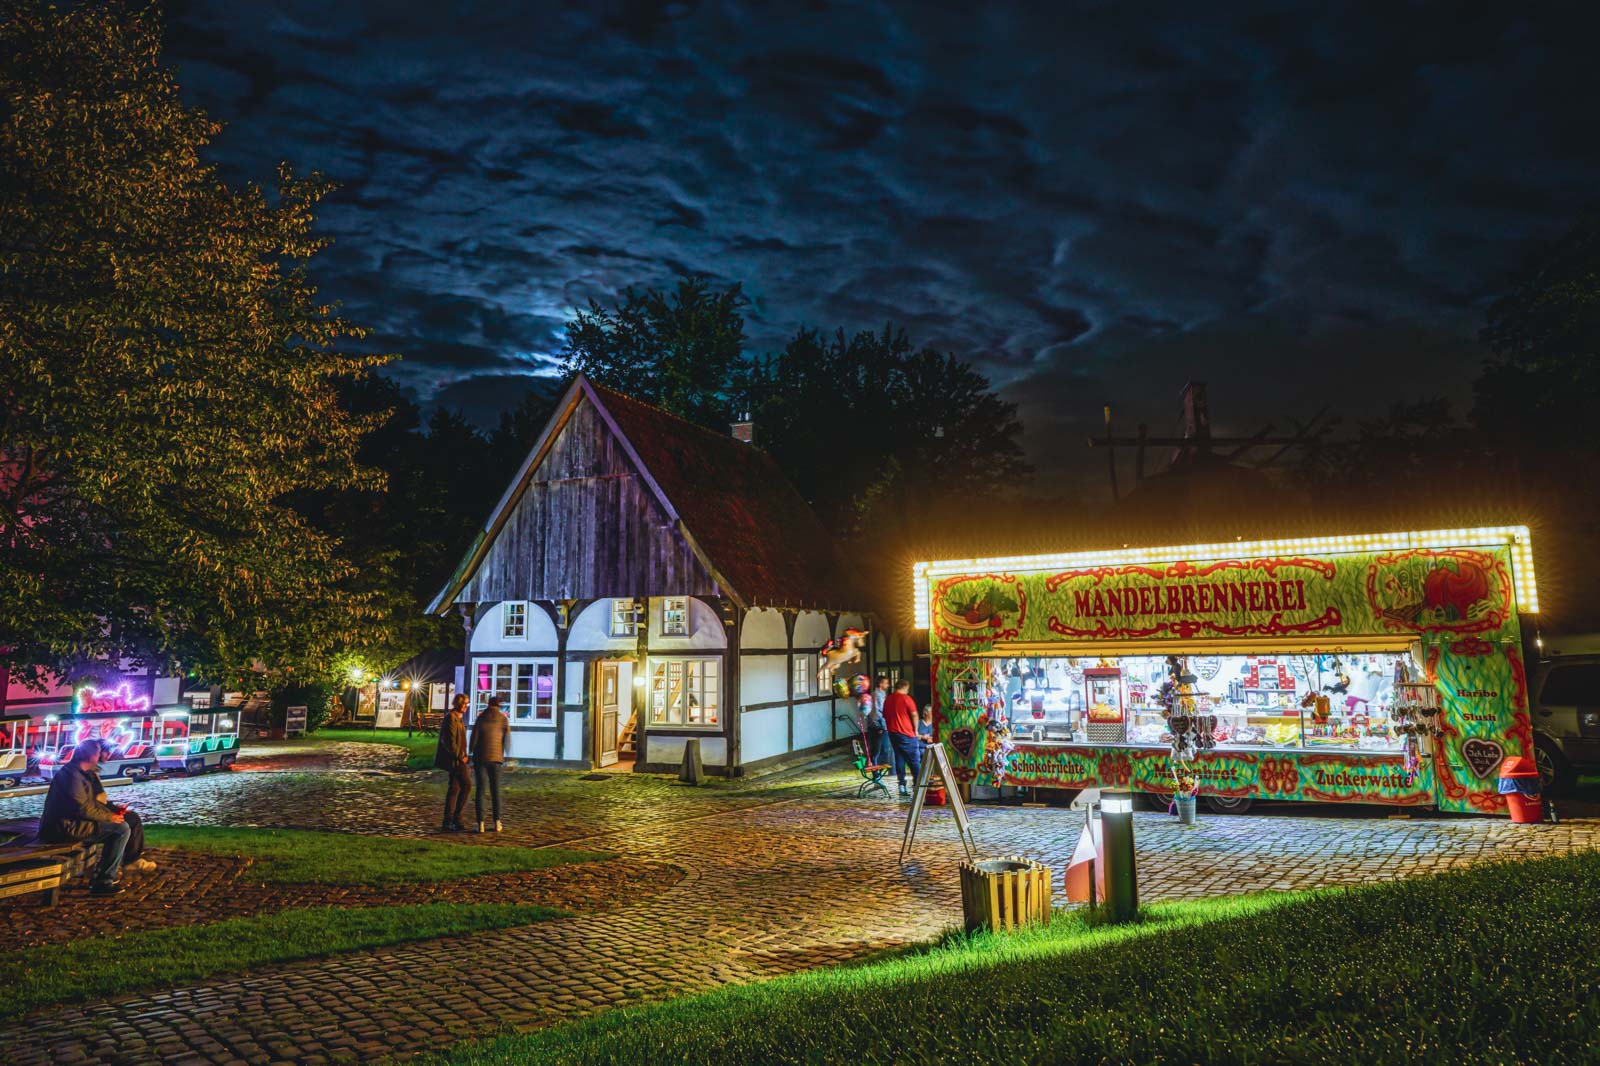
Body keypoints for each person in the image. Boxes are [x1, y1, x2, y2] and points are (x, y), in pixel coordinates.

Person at [39, 739, 132, 894]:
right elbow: (82, 808)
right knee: (121, 829)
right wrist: (110, 818)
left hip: (69, 823)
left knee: (124, 823)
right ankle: (103, 881)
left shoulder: (77, 773)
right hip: (64, 828)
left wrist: (113, 809)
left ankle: (107, 873)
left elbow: (90, 804)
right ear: (92, 756)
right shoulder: (73, 776)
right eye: (98, 752)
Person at [470, 694, 509, 833]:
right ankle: (497, 822)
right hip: (496, 758)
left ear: (488, 704)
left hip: (481, 758)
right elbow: (506, 739)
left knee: (480, 790)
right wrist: (506, 754)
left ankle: (480, 823)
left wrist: (470, 751)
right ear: (498, 705)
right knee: (495, 791)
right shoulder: (503, 719)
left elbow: (474, 738)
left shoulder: (481, 718)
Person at [435, 694, 472, 831]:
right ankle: (456, 817)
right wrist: (460, 755)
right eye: (464, 704)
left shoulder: (459, 718)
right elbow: (449, 741)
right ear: (458, 704)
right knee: (466, 785)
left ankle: (449, 820)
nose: (465, 707)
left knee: (454, 788)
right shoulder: (451, 718)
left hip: (460, 757)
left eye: (467, 704)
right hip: (456, 759)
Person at [883, 679, 921, 797]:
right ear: (905, 687)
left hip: (893, 733)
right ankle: (918, 785)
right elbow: (914, 714)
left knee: (899, 759)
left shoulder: (888, 699)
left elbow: (885, 715)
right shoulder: (906, 698)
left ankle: (902, 786)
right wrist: (916, 730)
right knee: (914, 760)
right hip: (906, 733)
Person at [865, 675, 891, 768]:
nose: (888, 685)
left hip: (883, 725)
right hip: (877, 727)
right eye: (886, 683)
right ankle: (876, 772)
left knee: (884, 749)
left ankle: (880, 771)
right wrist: (878, 727)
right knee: (877, 751)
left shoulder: (882, 694)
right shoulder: (876, 695)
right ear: (880, 684)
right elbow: (875, 712)